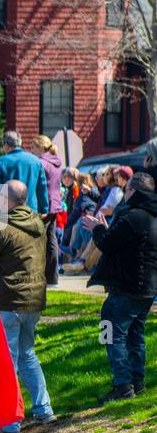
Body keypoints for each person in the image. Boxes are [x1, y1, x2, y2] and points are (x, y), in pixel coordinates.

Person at [0, 179, 54, 433]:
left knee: (7, 363)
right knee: (27, 353)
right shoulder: (38, 222)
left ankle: (10, 425)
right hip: (34, 299)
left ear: (6, 200)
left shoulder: (1, 225)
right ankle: (44, 409)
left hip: (9, 300)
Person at [82, 171, 157, 401]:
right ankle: (137, 382)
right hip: (147, 289)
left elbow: (107, 243)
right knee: (135, 335)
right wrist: (105, 229)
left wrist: (97, 228)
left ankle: (122, 385)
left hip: (126, 287)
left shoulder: (131, 216)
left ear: (132, 191)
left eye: (126, 191)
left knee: (111, 333)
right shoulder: (151, 215)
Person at [0, 130, 49, 215]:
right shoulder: (35, 161)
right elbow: (42, 188)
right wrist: (44, 209)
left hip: (9, 213)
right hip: (31, 211)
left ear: (6, 145)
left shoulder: (1, 162)